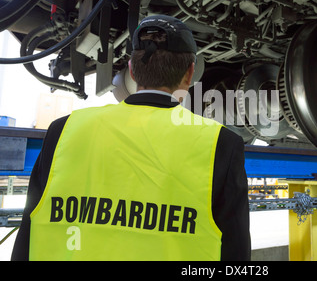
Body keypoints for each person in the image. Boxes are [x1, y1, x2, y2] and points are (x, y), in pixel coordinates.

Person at [11, 15, 251, 261]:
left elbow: (27, 237)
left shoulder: (63, 130)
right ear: (190, 74)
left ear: (132, 71)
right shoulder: (220, 144)